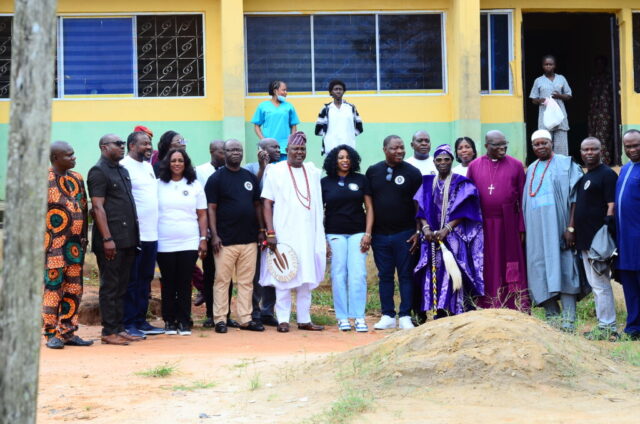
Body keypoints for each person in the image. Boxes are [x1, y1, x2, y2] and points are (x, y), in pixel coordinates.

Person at [261, 131, 326, 333]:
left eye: (302, 149)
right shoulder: (275, 170)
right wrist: (270, 232)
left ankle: (304, 319)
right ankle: (283, 320)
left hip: (308, 234)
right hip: (284, 232)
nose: (299, 152)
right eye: (295, 149)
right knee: (284, 275)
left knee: (306, 276)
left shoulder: (312, 171)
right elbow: (266, 203)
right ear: (287, 150)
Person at [523, 129, 583, 331]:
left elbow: (576, 199)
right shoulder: (531, 169)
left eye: (544, 143)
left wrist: (571, 227)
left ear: (551, 144)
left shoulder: (566, 164)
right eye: (536, 144)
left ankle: (569, 320)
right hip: (536, 230)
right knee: (538, 268)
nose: (541, 147)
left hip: (560, 226)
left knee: (565, 268)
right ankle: (552, 317)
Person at [414, 144, 484, 317]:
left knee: (455, 270)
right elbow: (420, 208)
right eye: (439, 160)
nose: (443, 162)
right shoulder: (427, 183)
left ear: (452, 161)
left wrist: (447, 229)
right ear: (434, 162)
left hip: (454, 236)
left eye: (446, 159)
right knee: (435, 269)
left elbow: (465, 210)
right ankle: (439, 310)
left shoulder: (461, 182)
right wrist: (425, 228)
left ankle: (457, 308)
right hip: (431, 236)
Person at [466, 130, 530, 311]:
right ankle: (486, 302)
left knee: (509, 261)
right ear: (487, 146)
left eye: (504, 144)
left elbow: (523, 199)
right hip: (483, 223)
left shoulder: (516, 165)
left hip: (508, 222)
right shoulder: (474, 166)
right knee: (487, 262)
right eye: (497, 145)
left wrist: (521, 226)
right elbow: (468, 197)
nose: (502, 148)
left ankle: (513, 303)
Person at [206, 140, 265, 333]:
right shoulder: (216, 178)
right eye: (231, 150)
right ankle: (220, 319)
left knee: (246, 282)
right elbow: (211, 208)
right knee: (222, 281)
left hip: (249, 240)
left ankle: (246, 319)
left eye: (238, 150)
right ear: (224, 153)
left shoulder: (249, 177)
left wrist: (261, 230)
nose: (235, 153)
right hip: (225, 241)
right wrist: (214, 235)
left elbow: (257, 205)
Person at [88, 134, 141, 345]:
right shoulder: (98, 171)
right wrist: (107, 239)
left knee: (122, 286)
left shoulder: (122, 170)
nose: (122, 146)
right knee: (110, 286)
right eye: (117, 144)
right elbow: (97, 207)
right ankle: (108, 331)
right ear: (104, 147)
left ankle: (119, 328)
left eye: (122, 144)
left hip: (127, 239)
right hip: (110, 240)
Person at [366, 135, 422, 330]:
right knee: (385, 276)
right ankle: (388, 315)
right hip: (380, 236)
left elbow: (418, 205)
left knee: (406, 275)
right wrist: (369, 233)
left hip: (405, 234)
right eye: (394, 148)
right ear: (384, 150)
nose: (400, 151)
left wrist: (418, 231)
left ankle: (405, 315)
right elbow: (369, 204)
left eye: (402, 147)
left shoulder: (413, 173)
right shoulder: (373, 172)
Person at [43, 141, 92, 349]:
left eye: (73, 154)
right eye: (69, 155)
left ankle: (68, 331)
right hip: (53, 246)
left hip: (75, 247)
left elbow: (84, 208)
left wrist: (84, 238)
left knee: (74, 289)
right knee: (53, 289)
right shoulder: (43, 180)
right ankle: (51, 333)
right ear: (56, 158)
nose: (74, 158)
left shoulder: (77, 178)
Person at [156, 149, 208, 336]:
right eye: (173, 161)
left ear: (185, 163)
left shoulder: (194, 185)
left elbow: (202, 214)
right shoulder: (158, 185)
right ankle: (169, 321)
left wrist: (203, 238)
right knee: (168, 282)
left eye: (180, 160)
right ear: (167, 163)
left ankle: (184, 321)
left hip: (188, 240)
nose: (177, 164)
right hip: (164, 241)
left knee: (185, 282)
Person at [322, 145, 373, 332]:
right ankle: (342, 317)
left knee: (358, 274)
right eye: (341, 157)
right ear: (334, 161)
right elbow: (320, 212)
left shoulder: (361, 179)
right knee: (338, 274)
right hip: (334, 233)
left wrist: (368, 233)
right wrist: (323, 239)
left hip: (358, 232)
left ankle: (358, 316)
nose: (345, 160)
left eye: (348, 157)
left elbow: (369, 208)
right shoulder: (325, 182)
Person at [572, 137, 618, 341]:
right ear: (581, 152)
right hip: (585, 240)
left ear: (601, 151)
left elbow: (611, 205)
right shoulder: (586, 176)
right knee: (596, 284)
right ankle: (603, 324)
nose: (589, 152)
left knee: (600, 284)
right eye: (585, 149)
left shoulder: (607, 174)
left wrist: (605, 233)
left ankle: (608, 327)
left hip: (598, 242)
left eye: (593, 149)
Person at [120, 131, 164, 338]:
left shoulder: (148, 167)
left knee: (145, 279)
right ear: (131, 146)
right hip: (134, 235)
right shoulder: (124, 166)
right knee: (132, 280)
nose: (149, 147)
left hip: (151, 234)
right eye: (144, 143)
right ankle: (128, 323)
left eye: (149, 143)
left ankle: (140, 321)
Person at [195, 139, 235, 328]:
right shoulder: (200, 171)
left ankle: (226, 314)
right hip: (210, 232)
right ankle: (211, 314)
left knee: (227, 276)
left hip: (227, 231)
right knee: (210, 274)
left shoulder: (230, 172)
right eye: (221, 151)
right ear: (212, 151)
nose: (225, 155)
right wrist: (205, 232)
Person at [244, 138, 281, 326]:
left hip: (276, 223)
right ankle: (254, 311)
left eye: (279, 147)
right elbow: (253, 190)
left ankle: (268, 311)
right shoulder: (250, 168)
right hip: (257, 225)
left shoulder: (282, 168)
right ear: (262, 149)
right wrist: (262, 167)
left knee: (273, 268)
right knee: (257, 270)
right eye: (274, 147)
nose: (278, 149)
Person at [615, 129, 640, 340]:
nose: (632, 150)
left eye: (636, 145)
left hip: (638, 239)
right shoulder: (625, 169)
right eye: (628, 146)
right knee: (630, 287)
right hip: (625, 242)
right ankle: (633, 328)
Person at [530, 55, 573, 156]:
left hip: (560, 118)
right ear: (542, 66)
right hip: (545, 118)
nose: (548, 66)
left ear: (555, 66)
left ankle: (561, 165)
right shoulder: (538, 81)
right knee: (545, 145)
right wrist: (540, 100)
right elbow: (533, 99)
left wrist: (559, 96)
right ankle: (548, 164)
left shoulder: (561, 78)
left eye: (551, 64)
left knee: (561, 148)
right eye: (546, 64)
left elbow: (569, 95)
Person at [251, 80, 300, 161]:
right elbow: (256, 126)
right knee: (268, 168)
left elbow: (293, 126)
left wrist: (291, 142)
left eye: (286, 90)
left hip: (284, 147)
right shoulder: (263, 106)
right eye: (283, 90)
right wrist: (263, 140)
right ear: (275, 91)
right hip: (268, 147)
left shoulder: (289, 106)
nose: (286, 93)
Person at [314, 79, 364, 155]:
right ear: (331, 92)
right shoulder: (326, 109)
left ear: (343, 91)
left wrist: (349, 136)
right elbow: (318, 130)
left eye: (340, 89)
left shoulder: (351, 108)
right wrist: (329, 136)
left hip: (349, 148)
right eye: (335, 89)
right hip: (330, 149)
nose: (338, 91)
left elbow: (359, 127)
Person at [587, 56, 613, 165]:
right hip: (593, 112)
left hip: (605, 112)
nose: (599, 66)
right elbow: (589, 93)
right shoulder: (593, 78)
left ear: (605, 65)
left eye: (601, 64)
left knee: (603, 138)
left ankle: (604, 163)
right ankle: (594, 162)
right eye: (597, 64)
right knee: (592, 138)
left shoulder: (609, 78)